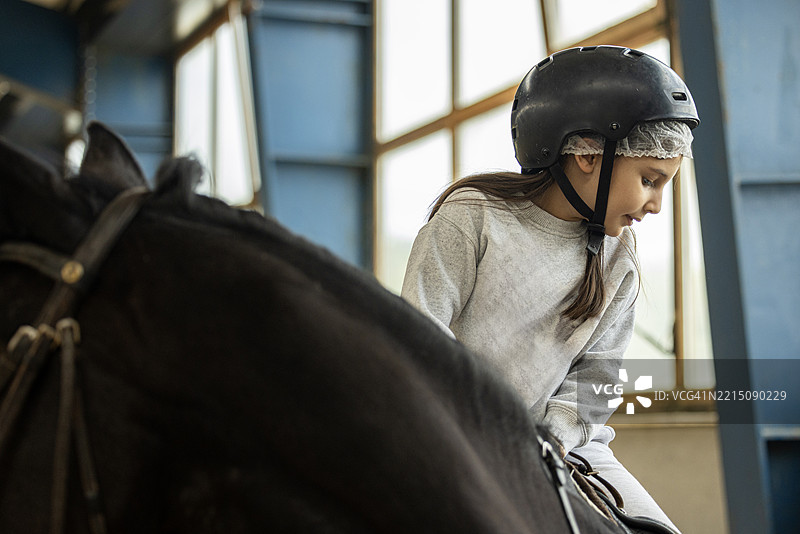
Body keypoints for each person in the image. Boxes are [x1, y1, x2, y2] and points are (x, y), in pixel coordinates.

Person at [400, 46, 699, 533]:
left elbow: (596, 376)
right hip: (450, 436)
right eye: (649, 180)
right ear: (586, 154)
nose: (656, 205)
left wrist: (551, 442)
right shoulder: (472, 218)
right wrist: (482, 432)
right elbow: (420, 331)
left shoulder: (619, 257)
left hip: (568, 448)